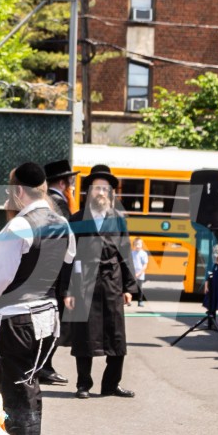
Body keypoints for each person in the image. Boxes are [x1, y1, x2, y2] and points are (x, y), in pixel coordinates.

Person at [0, 162, 73, 435]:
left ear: (18, 192)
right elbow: (68, 258)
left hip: (16, 321)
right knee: (29, 387)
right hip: (48, 320)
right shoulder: (61, 223)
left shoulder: (19, 226)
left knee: (14, 394)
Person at [65, 165, 141, 398]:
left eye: (105, 189)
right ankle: (83, 385)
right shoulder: (77, 219)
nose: (101, 193)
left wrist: (129, 287)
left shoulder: (118, 219)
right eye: (97, 188)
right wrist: (68, 291)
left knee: (116, 337)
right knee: (84, 339)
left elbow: (125, 254)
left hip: (112, 283)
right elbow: (68, 258)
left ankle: (111, 385)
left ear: (110, 193)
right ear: (89, 191)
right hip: (84, 284)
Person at [37, 160, 79, 383]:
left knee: (53, 322)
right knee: (55, 323)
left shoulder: (49, 201)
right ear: (63, 182)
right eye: (70, 180)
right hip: (58, 273)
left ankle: (44, 364)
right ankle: (43, 366)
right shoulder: (58, 204)